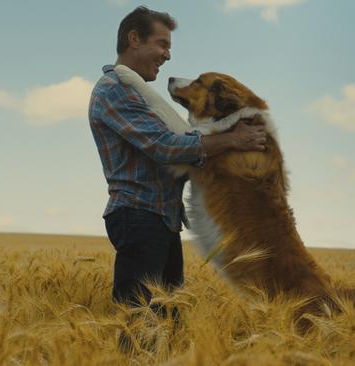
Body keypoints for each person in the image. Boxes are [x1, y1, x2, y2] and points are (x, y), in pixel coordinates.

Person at [88, 5, 267, 338]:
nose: (168, 55)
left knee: (166, 326)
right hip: (139, 216)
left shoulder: (138, 94)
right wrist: (233, 139)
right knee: (140, 330)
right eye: (162, 44)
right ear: (134, 40)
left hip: (160, 219)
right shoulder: (113, 90)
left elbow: (179, 152)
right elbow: (167, 147)